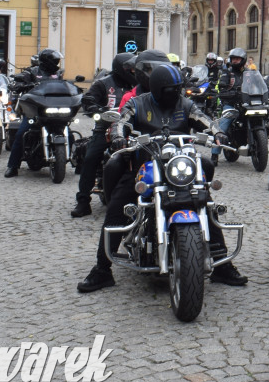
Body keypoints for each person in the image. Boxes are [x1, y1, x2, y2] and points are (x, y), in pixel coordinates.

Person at [76, 64, 247, 293]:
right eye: (171, 89)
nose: (175, 93)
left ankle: (222, 266)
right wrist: (118, 137)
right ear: (158, 88)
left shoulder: (185, 104)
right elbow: (121, 122)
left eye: (177, 89)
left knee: (205, 201)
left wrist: (218, 132)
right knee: (118, 205)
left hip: (179, 166)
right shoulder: (138, 103)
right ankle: (102, 270)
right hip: (145, 166)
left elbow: (203, 118)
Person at [70, 52, 137, 218]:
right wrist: (97, 110)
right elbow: (88, 99)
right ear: (122, 69)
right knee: (91, 157)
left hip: (131, 129)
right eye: (130, 69)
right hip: (105, 129)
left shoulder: (137, 85)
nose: (133, 72)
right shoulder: (103, 83)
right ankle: (83, 201)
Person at [4, 49, 63, 178]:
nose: (57, 63)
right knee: (22, 133)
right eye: (55, 61)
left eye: (57, 61)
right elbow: (17, 83)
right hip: (35, 110)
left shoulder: (57, 74)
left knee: (67, 129)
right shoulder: (32, 72)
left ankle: (78, 161)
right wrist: (20, 85)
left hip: (53, 108)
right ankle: (12, 166)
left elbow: (63, 86)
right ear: (47, 61)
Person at [211, 47, 248, 165]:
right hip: (231, 104)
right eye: (234, 59)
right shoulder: (227, 72)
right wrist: (225, 90)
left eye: (238, 59)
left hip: (247, 104)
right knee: (223, 126)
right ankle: (214, 154)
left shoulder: (249, 73)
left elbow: (259, 84)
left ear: (243, 60)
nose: (236, 61)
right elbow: (221, 86)